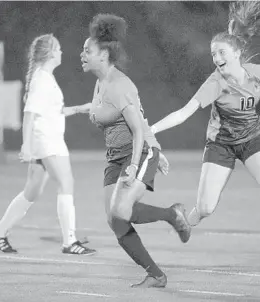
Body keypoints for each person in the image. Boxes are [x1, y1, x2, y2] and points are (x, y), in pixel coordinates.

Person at [151, 1, 260, 271]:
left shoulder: (257, 73)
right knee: (206, 208)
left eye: (220, 52)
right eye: (213, 54)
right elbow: (184, 112)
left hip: (253, 139)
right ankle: (185, 218)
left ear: (236, 52)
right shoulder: (216, 83)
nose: (215, 58)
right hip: (220, 145)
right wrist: (152, 130)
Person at [79, 13, 191, 288]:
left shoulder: (119, 85)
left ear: (104, 54)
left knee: (122, 210)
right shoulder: (101, 82)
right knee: (115, 221)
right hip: (115, 156)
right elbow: (117, 116)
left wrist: (135, 164)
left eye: (87, 50)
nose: (81, 54)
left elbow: (139, 129)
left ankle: (172, 214)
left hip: (138, 153)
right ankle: (155, 274)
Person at [0, 34, 96, 255]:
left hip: (46, 141)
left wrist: (79, 108)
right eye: (58, 49)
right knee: (67, 183)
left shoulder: (44, 77)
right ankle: (70, 242)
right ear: (49, 53)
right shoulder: (42, 80)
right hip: (48, 142)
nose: (61, 52)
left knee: (31, 192)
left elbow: (51, 112)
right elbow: (29, 114)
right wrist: (26, 146)